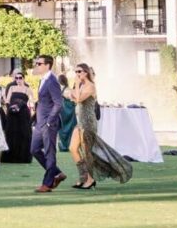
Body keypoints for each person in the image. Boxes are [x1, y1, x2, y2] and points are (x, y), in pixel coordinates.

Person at [71, 61, 133, 191]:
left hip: (88, 122)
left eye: (79, 72)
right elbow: (73, 96)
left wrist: (76, 85)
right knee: (73, 148)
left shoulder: (91, 86)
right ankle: (84, 177)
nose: (77, 74)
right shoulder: (81, 86)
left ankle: (90, 180)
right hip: (80, 121)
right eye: (75, 72)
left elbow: (77, 99)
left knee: (87, 152)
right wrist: (75, 88)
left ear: (86, 72)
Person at [30, 56, 65, 193]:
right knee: (34, 149)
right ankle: (57, 173)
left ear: (48, 65)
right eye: (36, 63)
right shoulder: (43, 80)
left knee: (50, 153)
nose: (37, 65)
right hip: (40, 123)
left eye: (39, 63)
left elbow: (58, 103)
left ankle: (47, 183)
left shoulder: (52, 81)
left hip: (48, 124)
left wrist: (50, 121)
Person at [1, 69, 33, 163]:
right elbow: (7, 100)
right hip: (12, 114)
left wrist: (23, 106)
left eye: (20, 78)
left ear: (24, 79)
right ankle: (11, 157)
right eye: (16, 78)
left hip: (23, 114)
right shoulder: (11, 88)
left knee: (23, 135)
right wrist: (10, 108)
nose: (18, 80)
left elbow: (31, 102)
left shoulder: (28, 89)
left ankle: (23, 157)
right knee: (12, 134)